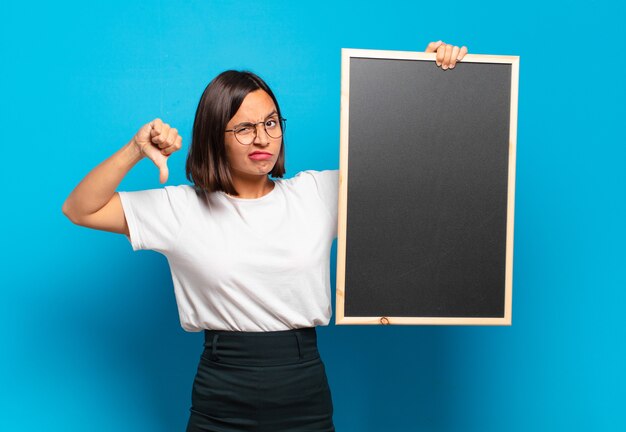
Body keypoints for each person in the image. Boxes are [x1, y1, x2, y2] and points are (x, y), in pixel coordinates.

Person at [62, 40, 468, 432]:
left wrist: (431, 77)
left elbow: (417, 176)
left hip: (303, 384)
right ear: (213, 137)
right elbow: (80, 209)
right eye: (243, 128)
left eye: (271, 123)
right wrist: (135, 148)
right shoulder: (181, 209)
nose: (262, 138)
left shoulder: (318, 193)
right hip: (220, 389)